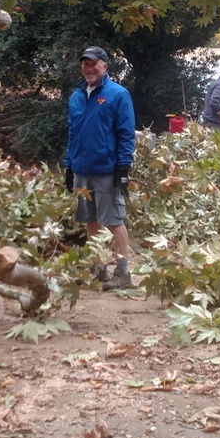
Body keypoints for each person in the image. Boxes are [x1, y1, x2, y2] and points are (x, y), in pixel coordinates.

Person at [64, 46, 136, 291]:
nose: (89, 68)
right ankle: (98, 269)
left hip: (107, 169)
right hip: (81, 169)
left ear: (105, 66)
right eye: (85, 63)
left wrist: (124, 167)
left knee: (114, 220)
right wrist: (68, 166)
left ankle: (123, 272)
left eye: (93, 63)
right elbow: (73, 134)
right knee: (90, 220)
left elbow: (126, 134)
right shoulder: (76, 96)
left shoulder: (118, 94)